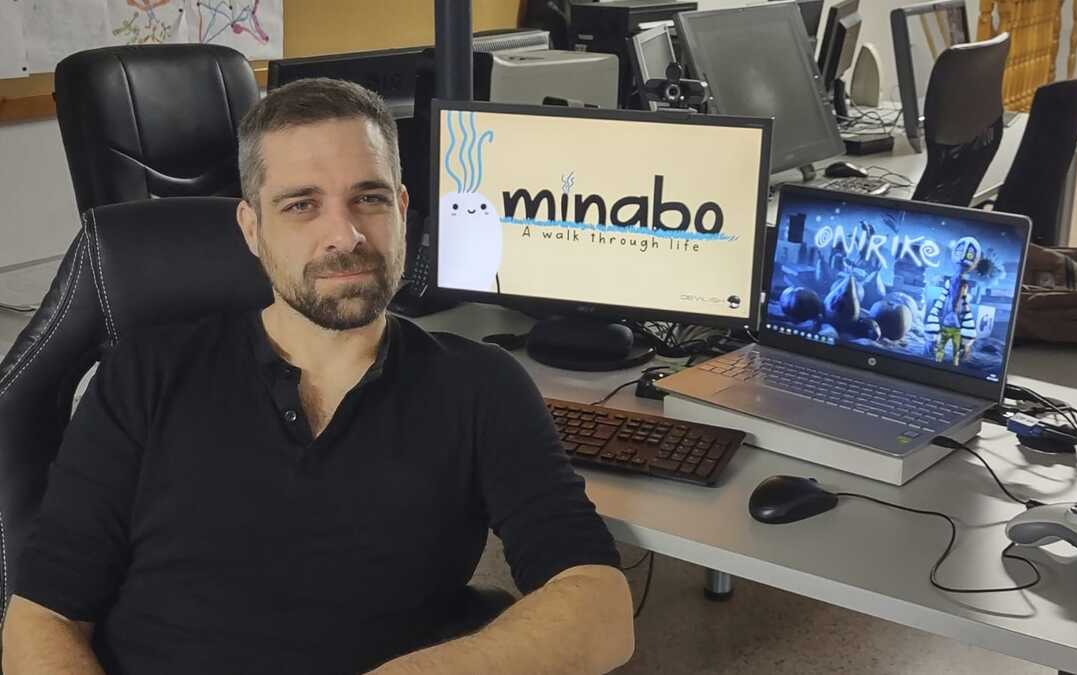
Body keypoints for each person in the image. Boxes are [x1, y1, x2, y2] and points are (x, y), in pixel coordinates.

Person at [2, 78, 634, 675]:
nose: (346, 235)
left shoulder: (480, 386)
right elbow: (43, 617)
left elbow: (598, 605)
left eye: (370, 198)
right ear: (252, 229)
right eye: (302, 205)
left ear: (403, 210)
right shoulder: (146, 374)